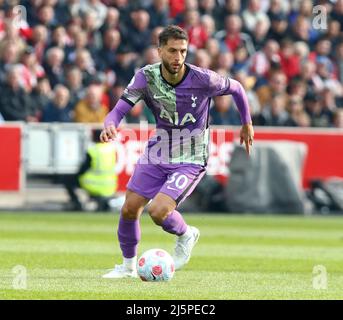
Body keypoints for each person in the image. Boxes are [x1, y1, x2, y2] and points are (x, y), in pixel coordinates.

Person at [100, 25, 254, 279]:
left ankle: (186, 233)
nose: (178, 57)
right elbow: (118, 111)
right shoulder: (145, 77)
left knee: (158, 211)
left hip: (191, 156)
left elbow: (237, 87)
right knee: (129, 208)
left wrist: (246, 122)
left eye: (183, 51)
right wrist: (110, 125)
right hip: (158, 150)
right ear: (159, 50)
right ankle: (127, 267)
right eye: (172, 51)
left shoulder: (203, 79)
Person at [64, 129, 117, 211]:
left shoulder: (93, 150)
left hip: (94, 184)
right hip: (110, 186)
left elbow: (83, 170)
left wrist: (76, 175)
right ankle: (98, 201)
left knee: (68, 181)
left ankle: (77, 204)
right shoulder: (111, 149)